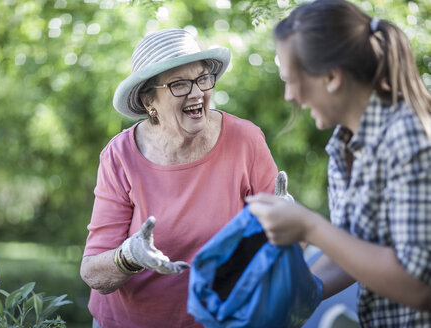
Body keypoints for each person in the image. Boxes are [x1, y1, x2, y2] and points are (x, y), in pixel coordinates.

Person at [245, 0, 431, 326]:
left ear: (331, 76)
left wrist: (310, 227)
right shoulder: (343, 145)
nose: (289, 96)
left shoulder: (409, 137)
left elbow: (419, 285)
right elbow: (351, 251)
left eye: (291, 79)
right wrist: (287, 304)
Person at [80, 28, 278, 328]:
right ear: (150, 102)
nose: (197, 92)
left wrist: (283, 222)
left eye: (202, 78)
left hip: (220, 321)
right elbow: (94, 273)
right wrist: (129, 256)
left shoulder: (245, 140)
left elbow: (285, 238)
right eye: (179, 84)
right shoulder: (120, 155)